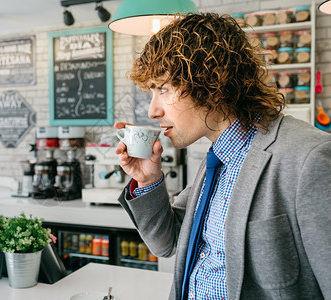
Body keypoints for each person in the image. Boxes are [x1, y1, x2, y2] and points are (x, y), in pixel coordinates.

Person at [114, 12, 331, 300]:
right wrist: (148, 179)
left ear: (212, 83)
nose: (152, 111)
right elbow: (166, 244)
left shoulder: (309, 158)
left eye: (163, 89)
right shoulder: (217, 159)